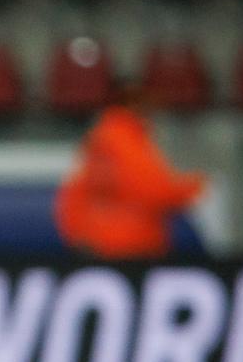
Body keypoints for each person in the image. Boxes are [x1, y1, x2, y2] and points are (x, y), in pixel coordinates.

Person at [54, 84, 207, 258]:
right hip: (130, 247)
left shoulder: (100, 137)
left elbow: (73, 192)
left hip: (98, 244)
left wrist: (76, 236)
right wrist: (195, 187)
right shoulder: (125, 138)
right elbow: (155, 190)